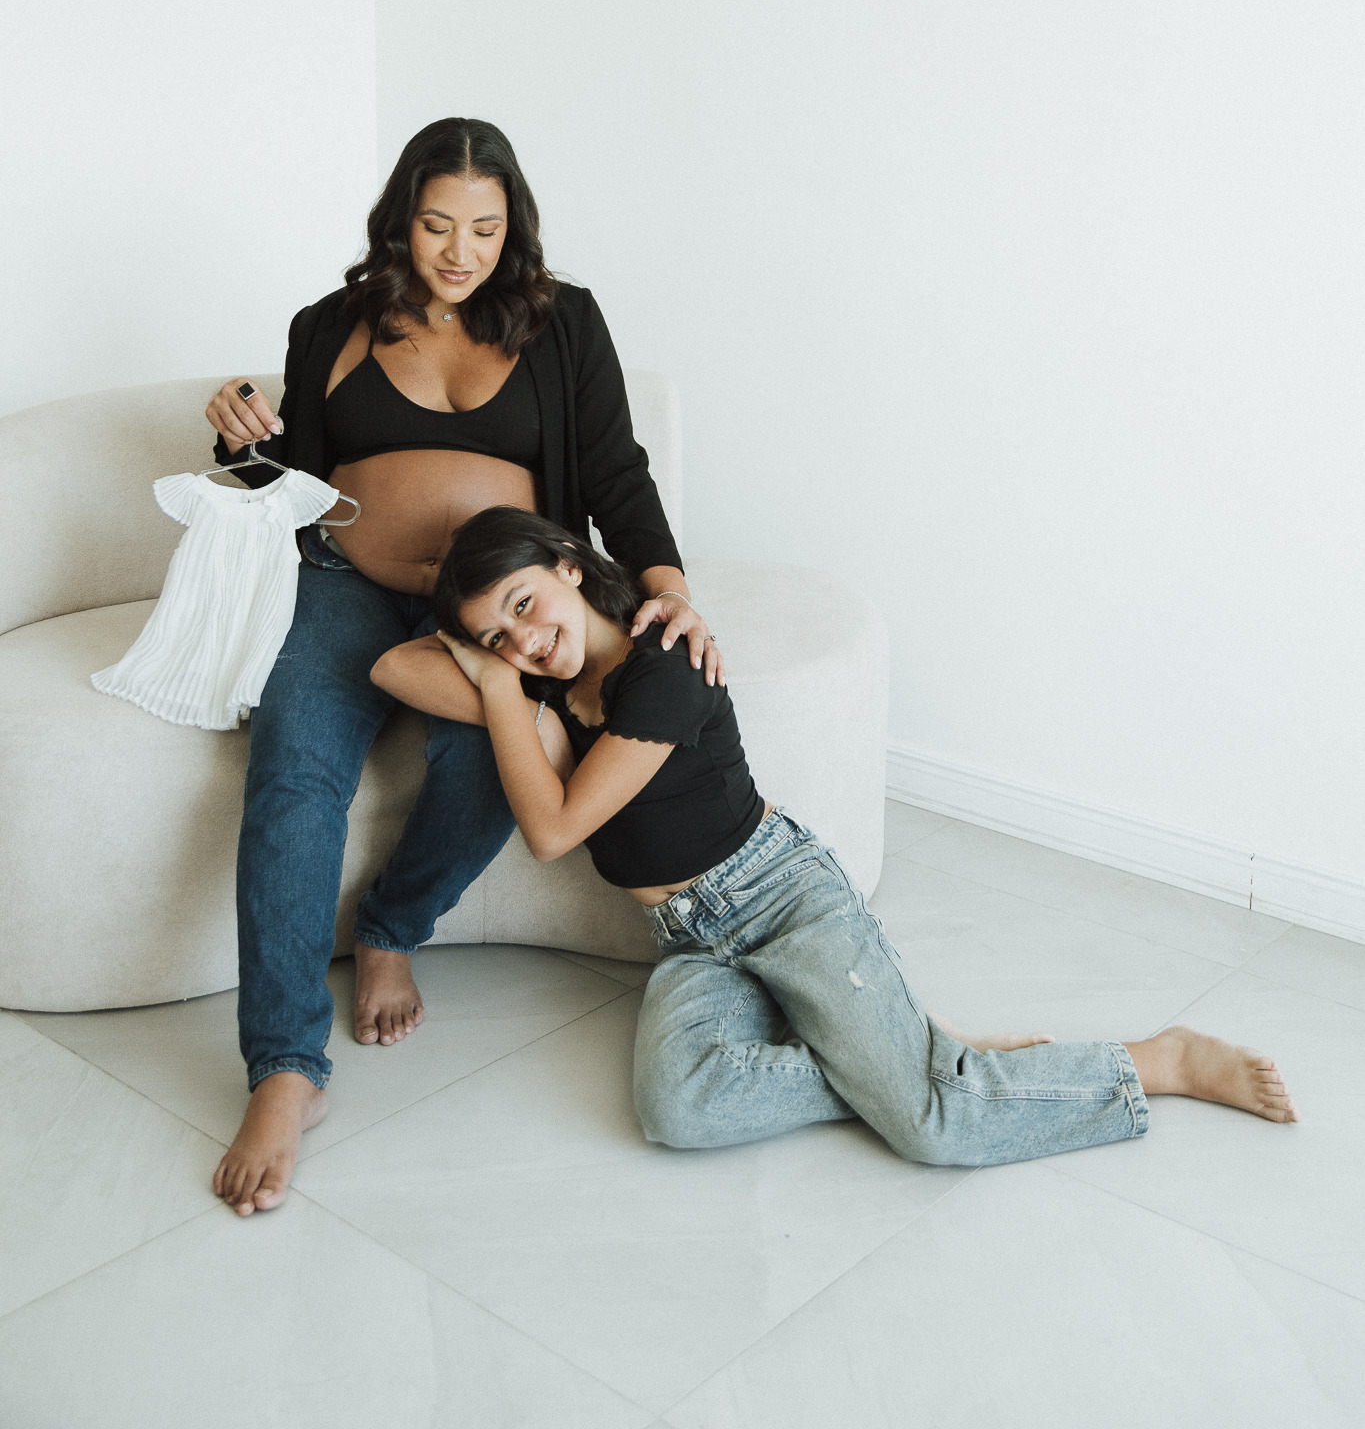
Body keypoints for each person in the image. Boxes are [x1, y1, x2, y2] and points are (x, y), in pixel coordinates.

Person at [369, 506, 1298, 1170]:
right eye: (493, 637)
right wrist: (501, 673)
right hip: (689, 938)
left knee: (934, 1128)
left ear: (569, 566)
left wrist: (495, 686)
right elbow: (390, 665)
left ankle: (1157, 1060)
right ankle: (909, 1054)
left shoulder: (665, 668)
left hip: (781, 898)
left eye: (523, 604)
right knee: (679, 1107)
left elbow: (552, 828)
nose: (522, 641)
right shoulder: (551, 682)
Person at [209, 119, 718, 1218]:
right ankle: (284, 1068)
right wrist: (241, 440)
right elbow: (292, 481)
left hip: (496, 608)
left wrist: (670, 587)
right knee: (293, 769)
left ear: (511, 227)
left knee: (495, 755)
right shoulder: (329, 325)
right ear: (401, 219)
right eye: (438, 224)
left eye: (484, 229)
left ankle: (391, 927)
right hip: (346, 581)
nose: (460, 251)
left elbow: (615, 472)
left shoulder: (562, 318)